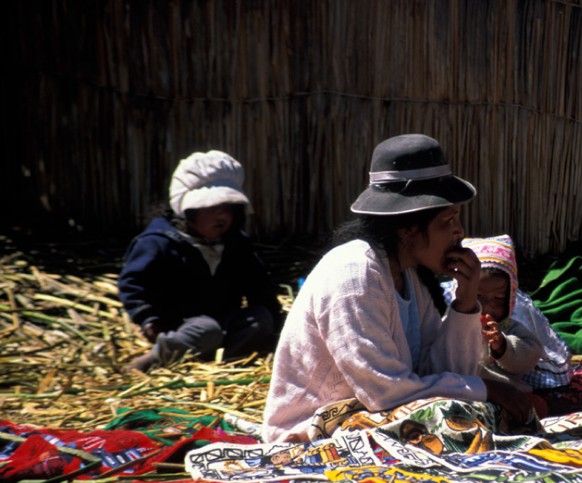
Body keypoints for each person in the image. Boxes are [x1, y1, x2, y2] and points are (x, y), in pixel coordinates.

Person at [262, 134, 536, 443]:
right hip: (311, 431)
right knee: (456, 417)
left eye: (458, 218)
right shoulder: (354, 275)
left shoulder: (409, 276)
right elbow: (384, 391)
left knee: (477, 414)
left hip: (374, 414)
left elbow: (443, 370)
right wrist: (486, 388)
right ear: (407, 229)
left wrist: (466, 299)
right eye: (448, 220)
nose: (459, 231)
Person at [118, 150, 283, 373]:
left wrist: (274, 316)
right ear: (188, 211)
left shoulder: (236, 243)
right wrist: (149, 319)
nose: (222, 216)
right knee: (207, 331)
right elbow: (134, 284)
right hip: (181, 324)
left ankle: (221, 360)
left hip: (226, 319)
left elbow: (257, 282)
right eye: (212, 208)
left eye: (229, 208)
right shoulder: (157, 243)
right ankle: (158, 357)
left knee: (259, 320)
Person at [463, 235, 549, 418]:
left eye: (499, 298)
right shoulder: (454, 323)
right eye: (478, 297)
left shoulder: (509, 327)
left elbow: (531, 356)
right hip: (468, 392)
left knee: (537, 406)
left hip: (509, 394)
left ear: (510, 297)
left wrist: (502, 346)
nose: (487, 307)